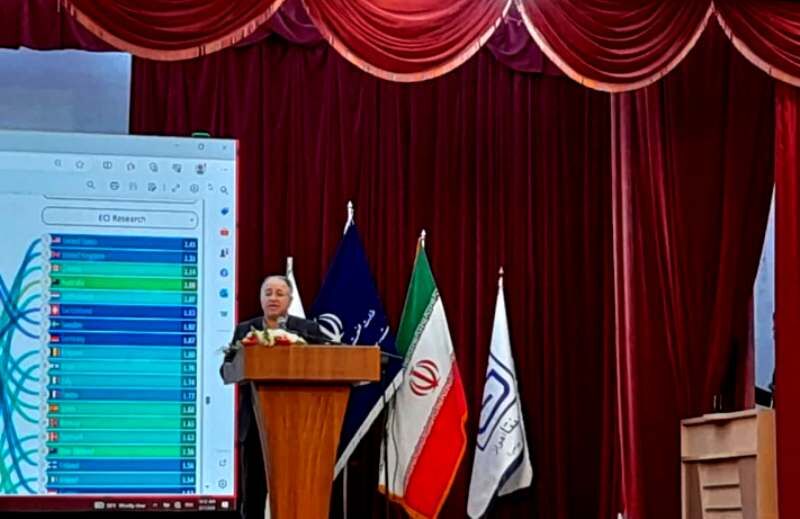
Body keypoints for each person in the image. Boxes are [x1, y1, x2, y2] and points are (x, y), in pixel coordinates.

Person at [221, 275, 326, 519]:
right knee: (253, 494)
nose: (273, 298)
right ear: (260, 298)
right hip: (255, 425)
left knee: (295, 493)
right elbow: (226, 371)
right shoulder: (245, 330)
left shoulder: (307, 330)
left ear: (289, 299)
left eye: (280, 293)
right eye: (268, 293)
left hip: (297, 426)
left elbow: (322, 365)